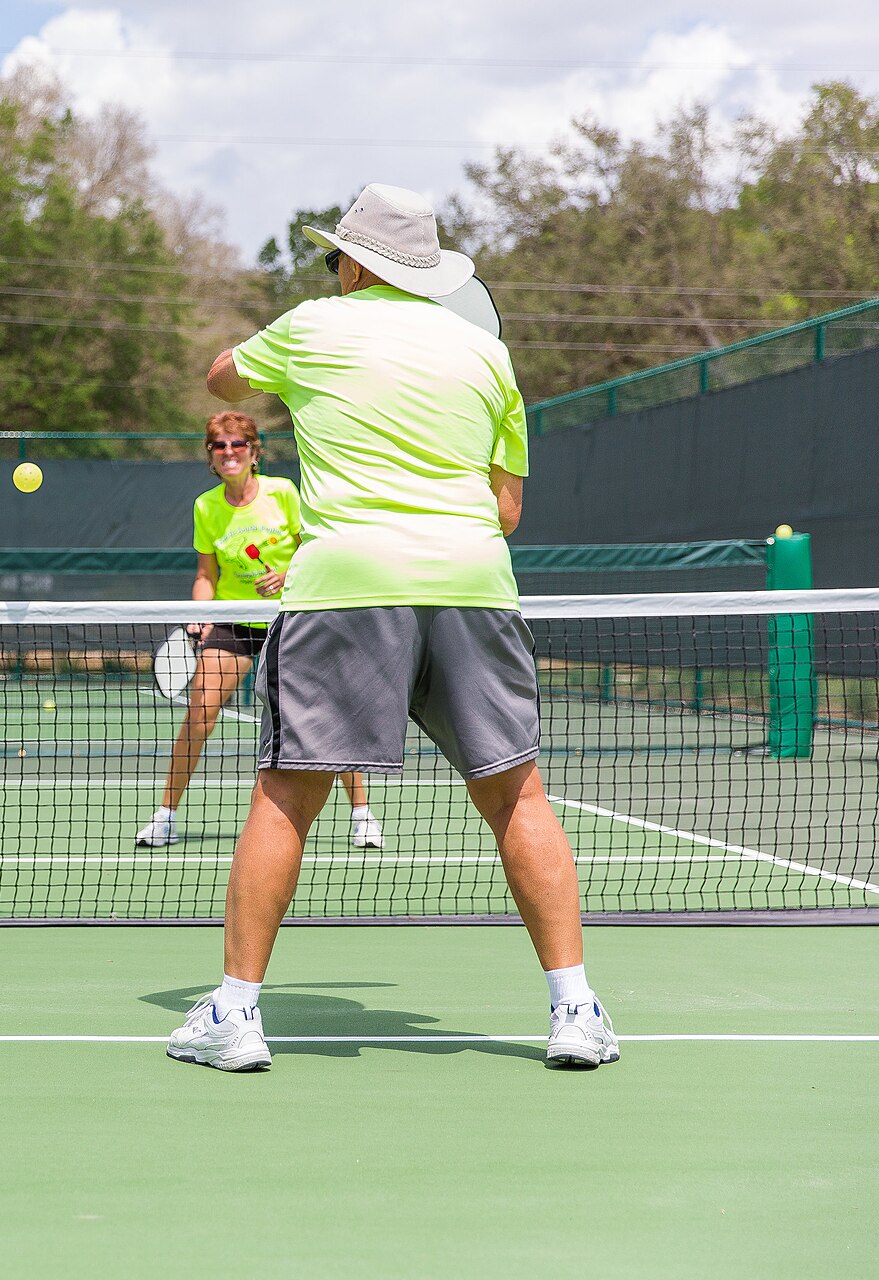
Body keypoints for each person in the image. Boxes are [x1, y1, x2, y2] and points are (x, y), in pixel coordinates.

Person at [166, 184, 618, 1073]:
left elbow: (221, 378)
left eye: (336, 257)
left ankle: (236, 1016)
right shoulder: (488, 357)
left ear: (360, 263)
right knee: (518, 796)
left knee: (288, 794)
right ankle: (575, 1010)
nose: (331, 270)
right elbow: (507, 508)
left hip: (348, 586)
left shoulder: (311, 327)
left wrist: (284, 363)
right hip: (473, 585)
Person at [136, 411, 382, 851]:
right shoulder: (206, 506)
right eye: (219, 446)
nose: (229, 452)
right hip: (235, 621)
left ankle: (362, 816)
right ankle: (165, 816)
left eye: (238, 444)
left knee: (329, 715)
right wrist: (199, 612)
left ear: (254, 452)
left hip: (293, 616)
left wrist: (288, 574)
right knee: (199, 711)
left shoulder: (283, 493)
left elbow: (318, 547)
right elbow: (205, 574)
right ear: (210, 458)